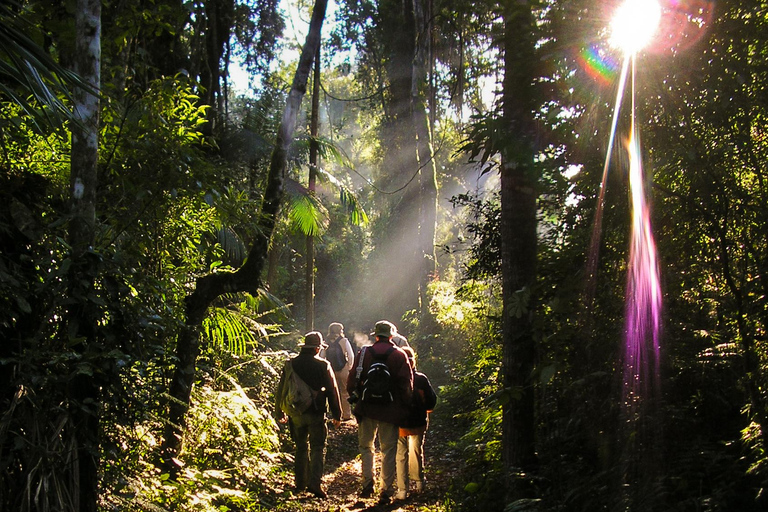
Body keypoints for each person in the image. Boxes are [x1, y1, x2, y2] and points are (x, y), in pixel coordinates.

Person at [347, 320, 413, 505]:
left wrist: (355, 397)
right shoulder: (399, 354)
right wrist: (405, 406)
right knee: (388, 449)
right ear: (391, 335)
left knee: (366, 447)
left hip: (366, 407)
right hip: (390, 410)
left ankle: (367, 484)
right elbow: (406, 384)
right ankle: (386, 490)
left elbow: (352, 379)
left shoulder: (363, 353)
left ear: (375, 335)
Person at [274, 331, 342, 499]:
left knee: (301, 447)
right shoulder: (323, 365)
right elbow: (332, 391)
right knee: (318, 447)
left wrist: (279, 411)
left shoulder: (290, 364)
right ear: (317, 348)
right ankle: (315, 484)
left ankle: (299, 483)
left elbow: (281, 389)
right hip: (316, 412)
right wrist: (337, 414)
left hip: (295, 412)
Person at [395, 346, 437, 500]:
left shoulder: (395, 378)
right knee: (416, 451)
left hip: (399, 423)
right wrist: (426, 410)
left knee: (401, 454)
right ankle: (419, 482)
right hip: (418, 421)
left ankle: (402, 489)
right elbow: (431, 401)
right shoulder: (421, 378)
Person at [322, 322, 356, 421]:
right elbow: (351, 355)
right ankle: (346, 415)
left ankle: (335, 414)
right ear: (340, 330)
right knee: (344, 392)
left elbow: (322, 356)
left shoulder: (326, 342)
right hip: (343, 368)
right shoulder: (344, 341)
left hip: (330, 369)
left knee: (332, 392)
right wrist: (349, 367)